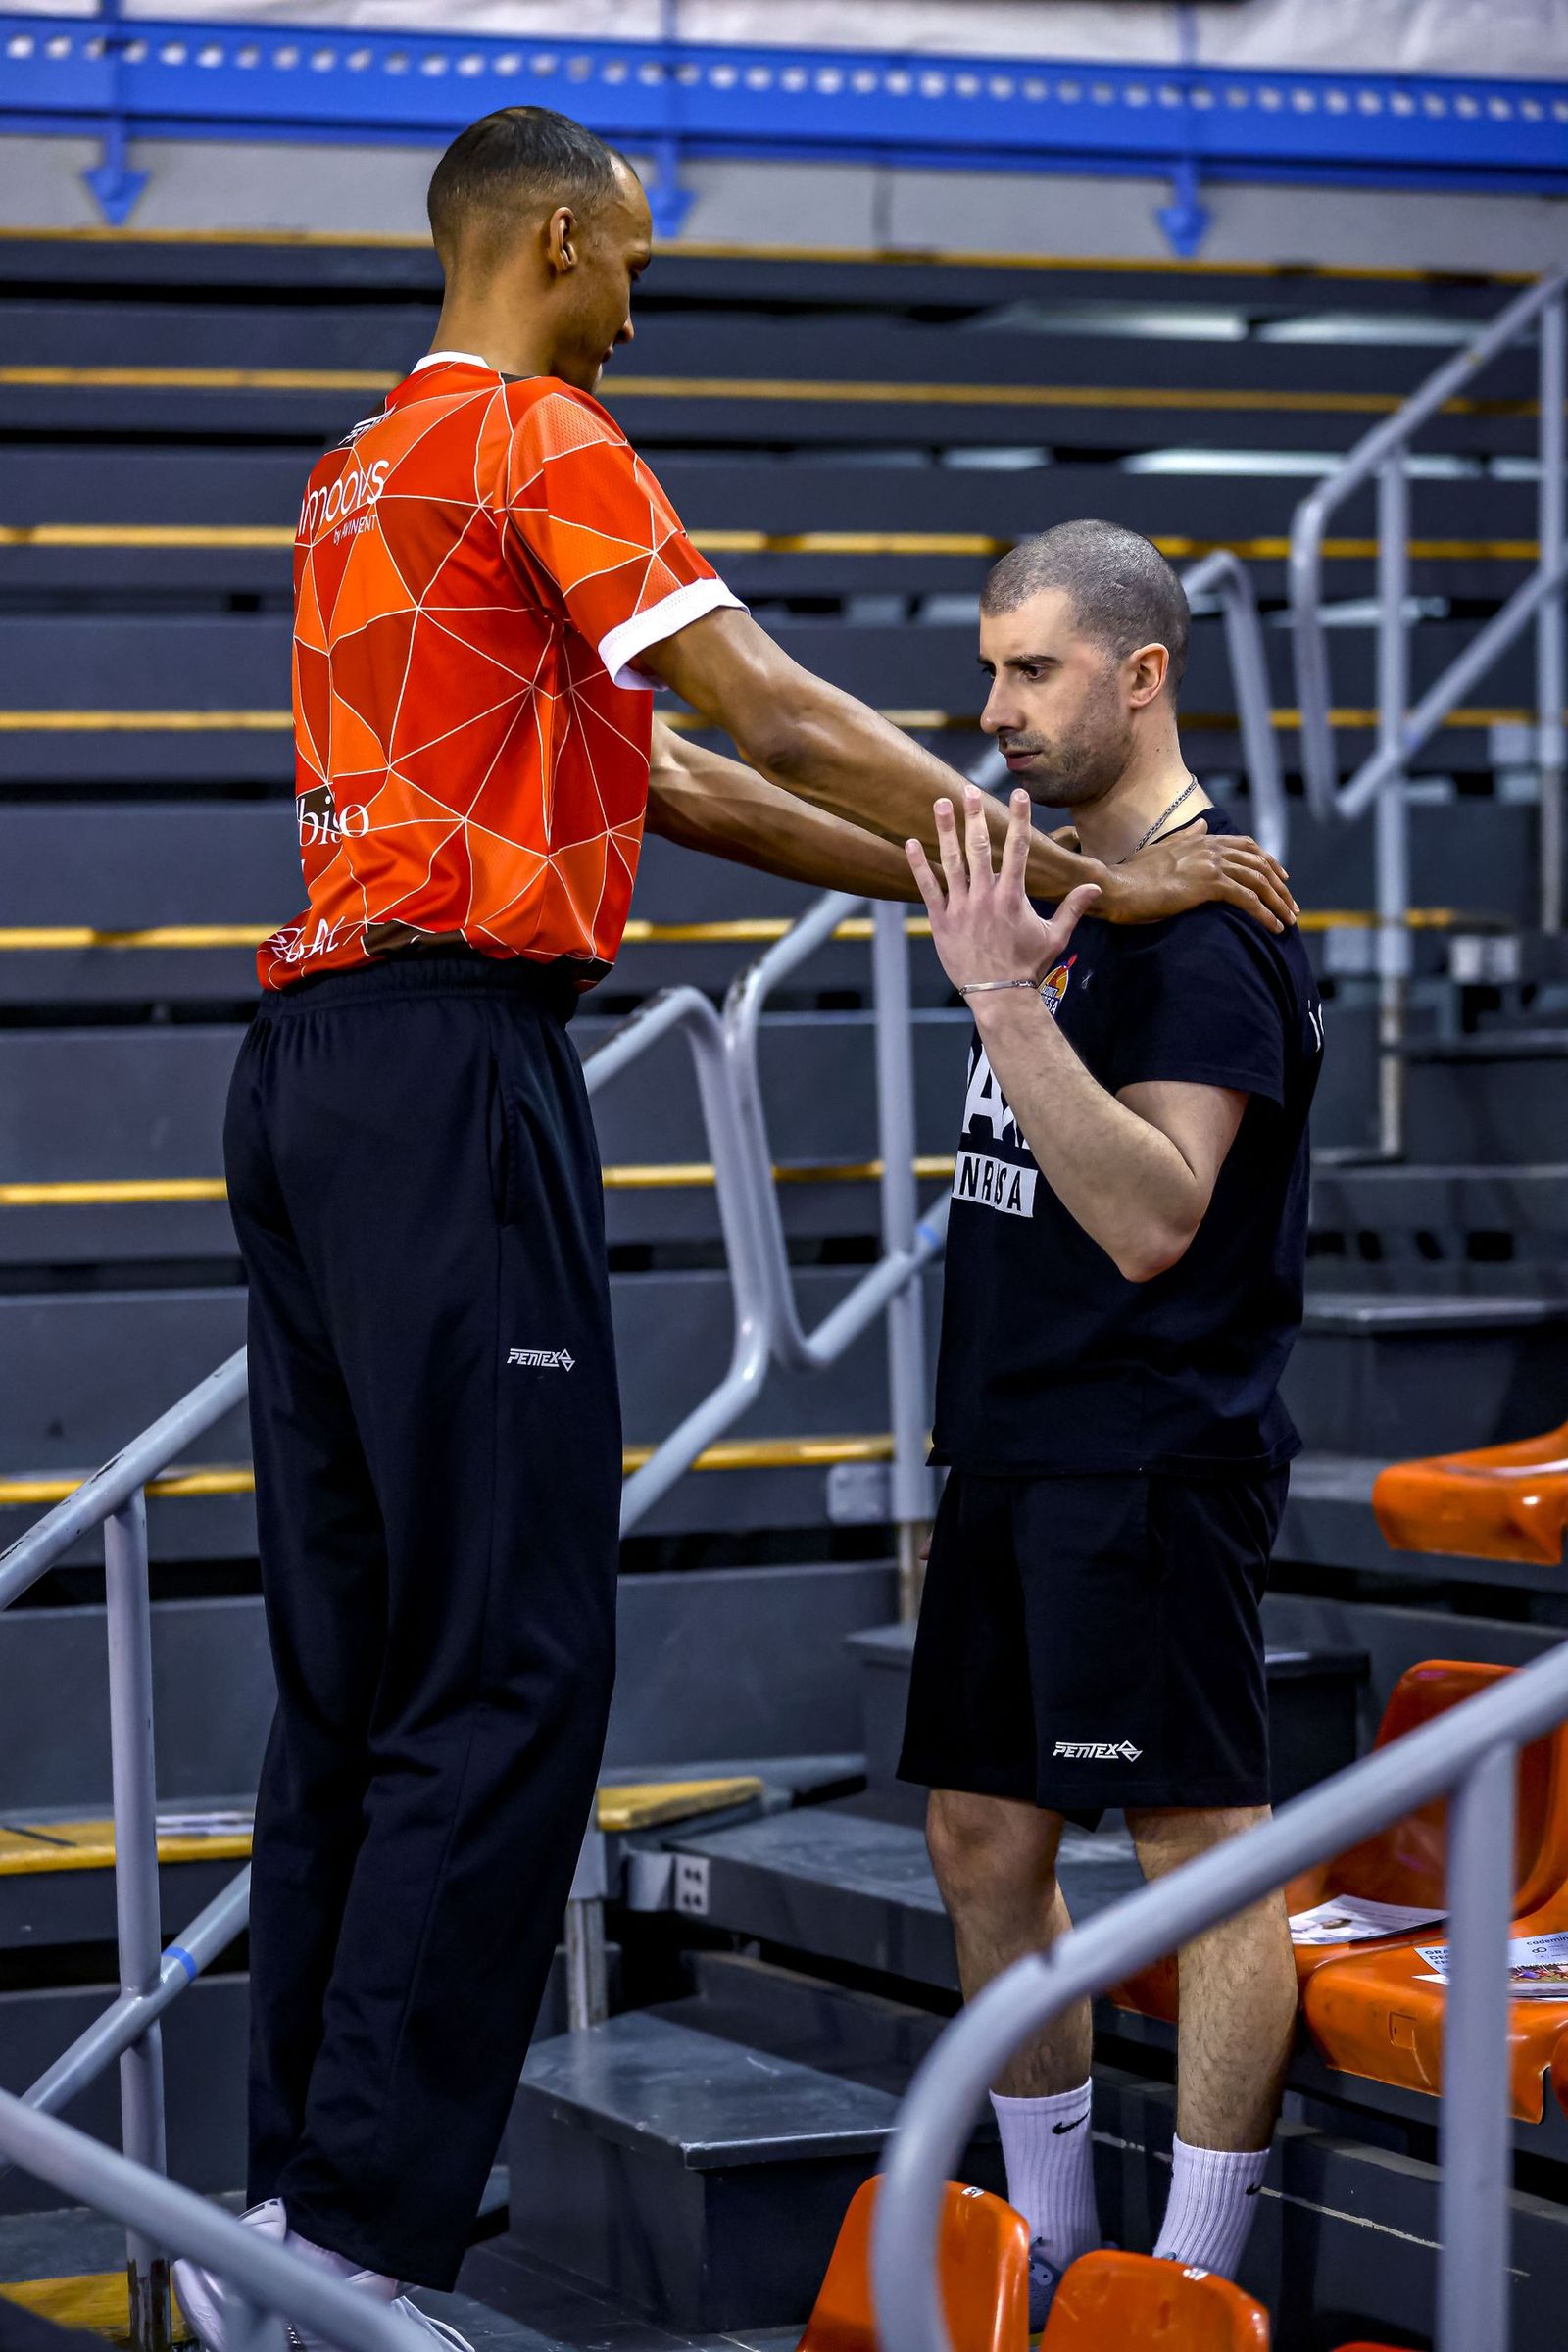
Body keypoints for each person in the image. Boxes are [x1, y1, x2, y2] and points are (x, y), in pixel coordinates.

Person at [173, 106, 1298, 2351]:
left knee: (357, 1671)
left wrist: (961, 885)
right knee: (510, 1664)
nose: (639, 299)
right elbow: (757, 705)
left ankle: (290, 2192)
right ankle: (369, 2234)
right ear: (562, 240)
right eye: (632, 261)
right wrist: (1082, 873)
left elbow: (671, 784)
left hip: (300, 1076)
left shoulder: (354, 470)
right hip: (449, 1067)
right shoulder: (542, 431)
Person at [898, 522, 1323, 2326]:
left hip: (1148, 1456)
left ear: (1143, 673)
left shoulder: (1211, 922)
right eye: (993, 667)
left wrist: (1003, 1000)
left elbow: (1157, 1215)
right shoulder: (1077, 880)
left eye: (1035, 670)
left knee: (1197, 1867)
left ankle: (1188, 2289)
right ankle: (1062, 2241)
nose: (998, 707)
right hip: (1017, 1442)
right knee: (983, 1845)